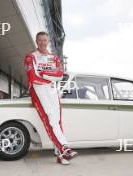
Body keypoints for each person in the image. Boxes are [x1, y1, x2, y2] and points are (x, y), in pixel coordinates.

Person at [24, 31, 77, 165]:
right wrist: (49, 77)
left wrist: (43, 74)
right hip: (38, 91)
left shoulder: (54, 57)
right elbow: (32, 78)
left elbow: (60, 74)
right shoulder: (30, 57)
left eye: (45, 40)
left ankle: (61, 155)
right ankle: (65, 148)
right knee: (50, 119)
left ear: (48, 42)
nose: (43, 42)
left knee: (57, 121)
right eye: (40, 40)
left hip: (53, 91)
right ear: (37, 41)